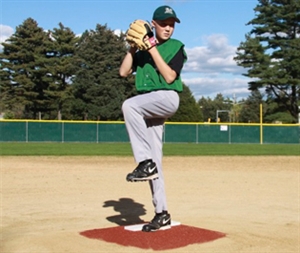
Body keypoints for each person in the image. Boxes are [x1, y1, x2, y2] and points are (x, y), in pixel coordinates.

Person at [119, 5, 187, 232]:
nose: (168, 28)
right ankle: (162, 213)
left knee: (129, 105)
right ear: (153, 24)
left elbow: (169, 77)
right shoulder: (140, 52)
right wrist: (131, 49)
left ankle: (144, 162)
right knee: (155, 164)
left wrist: (152, 47)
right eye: (164, 24)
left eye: (171, 24)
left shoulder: (176, 47)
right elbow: (123, 72)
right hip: (148, 106)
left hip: (167, 98)